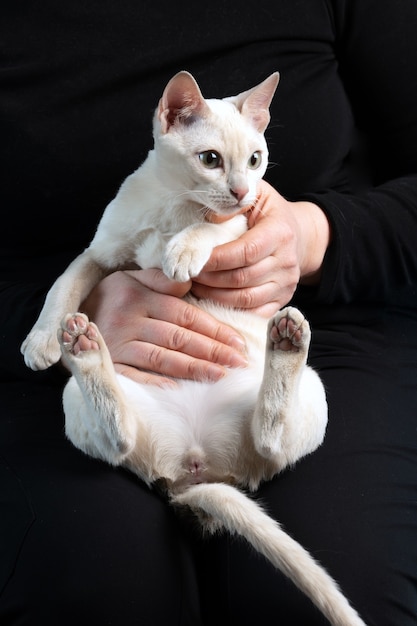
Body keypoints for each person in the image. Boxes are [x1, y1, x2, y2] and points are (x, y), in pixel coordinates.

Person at [1, 1, 417, 624]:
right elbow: (96, 259)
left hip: (300, 341)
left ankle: (277, 391)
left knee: (333, 583)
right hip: (118, 370)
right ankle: (102, 391)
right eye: (218, 163)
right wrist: (67, 313)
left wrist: (315, 233)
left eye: (252, 161)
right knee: (103, 588)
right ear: (170, 118)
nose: (241, 189)